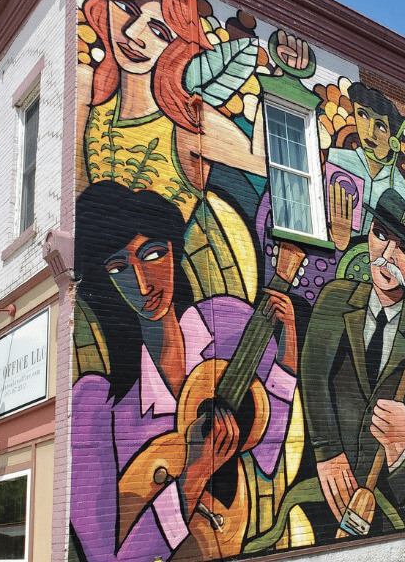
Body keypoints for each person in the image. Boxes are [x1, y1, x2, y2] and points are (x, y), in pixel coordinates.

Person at [70, 181, 299, 561]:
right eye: (118, 267)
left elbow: (269, 447)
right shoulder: (96, 407)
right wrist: (192, 478)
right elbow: (107, 557)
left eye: (154, 253)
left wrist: (289, 348)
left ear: (175, 250)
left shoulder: (231, 324)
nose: (143, 283)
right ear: (103, 282)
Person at [81, 0, 308, 303]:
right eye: (127, 8)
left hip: (174, 288)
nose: (133, 33)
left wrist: (274, 87)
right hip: (105, 277)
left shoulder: (190, 125)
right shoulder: (90, 95)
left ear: (176, 50)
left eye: (158, 30)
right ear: (104, 7)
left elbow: (266, 162)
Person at [300, 188, 405, 535]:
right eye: (380, 235)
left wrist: (402, 445)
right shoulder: (335, 300)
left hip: (384, 511)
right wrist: (328, 451)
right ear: (368, 235)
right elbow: (312, 376)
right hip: (321, 495)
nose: (388, 255)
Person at [326, 82, 405, 250]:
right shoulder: (337, 159)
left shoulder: (402, 189)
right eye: (363, 115)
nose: (370, 131)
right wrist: (338, 239)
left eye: (380, 126)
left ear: (394, 140)